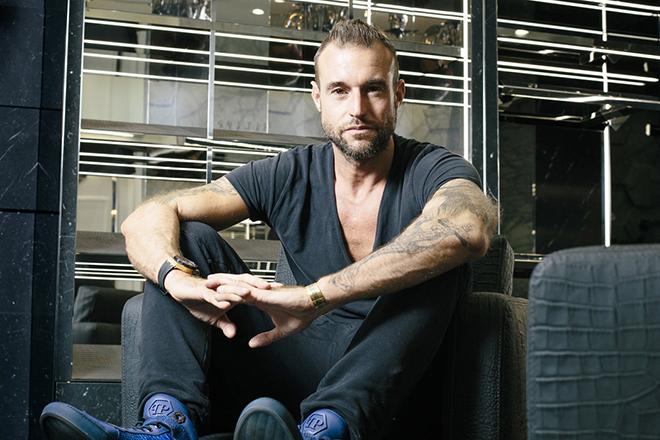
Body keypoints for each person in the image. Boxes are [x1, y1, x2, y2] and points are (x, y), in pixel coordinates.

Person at [40, 19, 497, 440]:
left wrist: (314, 297)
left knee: (440, 253)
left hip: (388, 383)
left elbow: (467, 228)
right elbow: (149, 215)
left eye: (373, 89)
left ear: (398, 93)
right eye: (339, 90)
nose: (357, 109)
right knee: (188, 237)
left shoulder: (433, 169)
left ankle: (326, 429)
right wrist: (178, 280)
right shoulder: (289, 173)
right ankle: (167, 426)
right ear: (318, 97)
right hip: (291, 370)